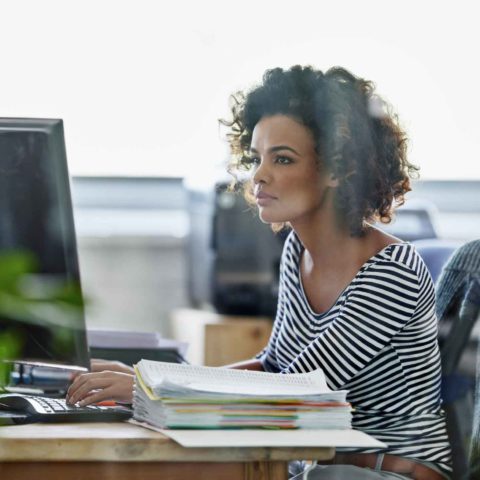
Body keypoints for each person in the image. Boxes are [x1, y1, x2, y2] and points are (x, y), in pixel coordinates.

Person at [66, 65, 452, 479]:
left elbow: (299, 391)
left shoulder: (392, 270)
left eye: (282, 158)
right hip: (318, 466)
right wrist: (151, 379)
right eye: (256, 158)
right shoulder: (297, 250)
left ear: (340, 170)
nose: (258, 175)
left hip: (390, 474)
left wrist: (152, 389)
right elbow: (273, 368)